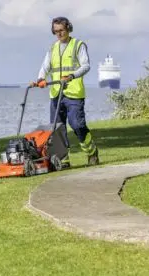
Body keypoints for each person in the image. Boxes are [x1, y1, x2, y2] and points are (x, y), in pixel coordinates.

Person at [31, 16, 99, 167]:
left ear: (68, 28)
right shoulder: (53, 48)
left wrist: (71, 76)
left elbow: (86, 65)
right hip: (56, 94)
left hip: (74, 94)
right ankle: (63, 161)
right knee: (56, 130)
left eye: (61, 30)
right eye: (56, 32)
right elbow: (45, 66)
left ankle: (91, 152)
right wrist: (40, 78)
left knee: (77, 125)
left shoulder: (78, 45)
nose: (59, 34)